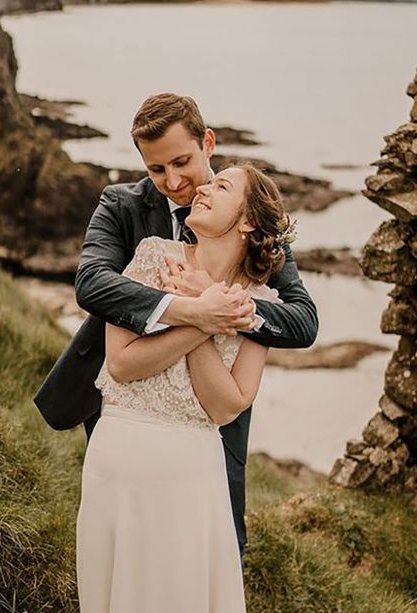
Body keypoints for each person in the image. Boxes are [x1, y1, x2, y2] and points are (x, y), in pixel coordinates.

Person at [76, 161, 335, 613]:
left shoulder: (260, 304)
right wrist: (200, 314)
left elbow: (226, 406)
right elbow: (121, 364)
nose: (202, 187)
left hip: (193, 476)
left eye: (221, 186)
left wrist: (208, 317)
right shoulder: (152, 255)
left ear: (246, 223)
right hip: (119, 460)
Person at [33, 94, 318, 561]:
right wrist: (189, 309)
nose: (174, 181)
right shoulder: (122, 206)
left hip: (209, 421)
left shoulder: (253, 221)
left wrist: (230, 305)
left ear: (208, 142)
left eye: (182, 162)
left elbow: (302, 320)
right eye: (157, 170)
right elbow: (92, 285)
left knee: (215, 549)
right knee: (129, 546)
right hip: (128, 411)